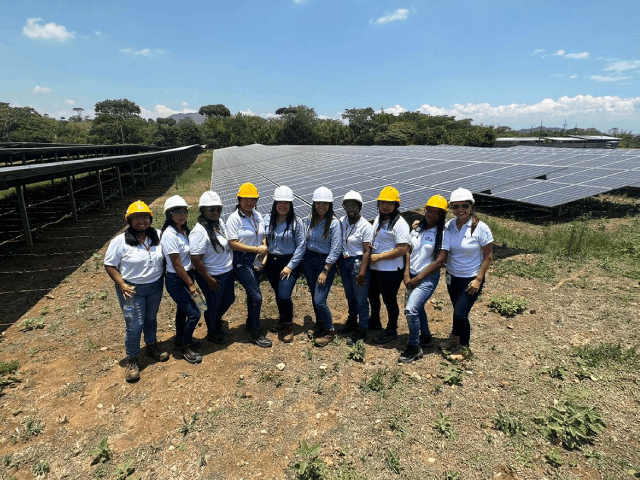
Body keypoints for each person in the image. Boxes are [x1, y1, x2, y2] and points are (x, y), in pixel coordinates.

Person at [104, 200, 169, 383]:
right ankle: (132, 359)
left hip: (155, 285)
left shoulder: (158, 235)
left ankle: (151, 345)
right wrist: (122, 285)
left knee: (150, 318)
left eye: (145, 217)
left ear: (150, 218)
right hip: (131, 290)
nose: (142, 221)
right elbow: (110, 265)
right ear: (129, 220)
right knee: (134, 324)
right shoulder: (120, 241)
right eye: (137, 218)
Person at [442, 188, 493, 359]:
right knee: (457, 309)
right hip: (452, 276)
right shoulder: (450, 225)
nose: (460, 209)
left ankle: (464, 348)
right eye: (456, 206)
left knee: (460, 313)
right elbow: (433, 230)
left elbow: (488, 256)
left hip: (471, 278)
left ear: (471, 206)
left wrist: (478, 279)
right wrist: (418, 224)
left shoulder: (481, 228)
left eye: (464, 205)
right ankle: (455, 337)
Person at [400, 195, 450, 363]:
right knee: (417, 307)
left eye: (436, 213)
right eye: (429, 211)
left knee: (411, 309)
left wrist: (418, 278)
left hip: (427, 278)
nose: (431, 215)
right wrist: (407, 274)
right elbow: (407, 250)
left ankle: (414, 347)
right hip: (412, 275)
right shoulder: (417, 228)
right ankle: (426, 336)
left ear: (442, 215)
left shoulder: (443, 234)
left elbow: (439, 261)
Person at [226, 183, 271, 348]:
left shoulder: (258, 215)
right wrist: (256, 249)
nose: (249, 203)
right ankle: (255, 331)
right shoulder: (234, 219)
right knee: (256, 296)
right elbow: (232, 243)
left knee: (252, 294)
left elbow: (263, 237)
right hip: (242, 260)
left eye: (252, 200)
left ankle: (250, 322)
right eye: (245, 199)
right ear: (239, 199)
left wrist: (263, 254)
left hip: (257, 259)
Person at [161, 195, 203, 364]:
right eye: (176, 211)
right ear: (168, 214)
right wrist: (191, 284)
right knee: (195, 313)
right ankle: (185, 347)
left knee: (182, 310)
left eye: (184, 211)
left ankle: (180, 338)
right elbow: (177, 264)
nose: (181, 214)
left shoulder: (183, 230)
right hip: (177, 279)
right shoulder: (169, 235)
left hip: (187, 276)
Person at [190, 191, 235, 345]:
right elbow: (196, 259)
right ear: (203, 210)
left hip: (226, 272)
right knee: (213, 305)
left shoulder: (219, 223)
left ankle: (215, 321)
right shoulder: (200, 231)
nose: (216, 212)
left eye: (218, 209)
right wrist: (208, 279)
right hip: (213, 275)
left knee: (229, 299)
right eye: (212, 209)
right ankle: (213, 331)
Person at [368, 186, 410, 344]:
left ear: (396, 205)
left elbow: (402, 248)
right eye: (382, 202)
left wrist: (379, 257)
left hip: (390, 269)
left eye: (390, 203)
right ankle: (375, 320)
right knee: (372, 295)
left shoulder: (400, 224)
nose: (385, 206)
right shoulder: (379, 218)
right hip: (375, 267)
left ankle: (392, 329)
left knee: (389, 299)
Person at [263, 186, 305, 343]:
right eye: (279, 202)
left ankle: (288, 325)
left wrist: (290, 266)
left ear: (291, 204)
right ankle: (282, 318)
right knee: (277, 293)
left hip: (289, 262)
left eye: (286, 202)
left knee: (284, 294)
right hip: (272, 262)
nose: (283, 205)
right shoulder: (267, 219)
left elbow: (301, 246)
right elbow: (263, 238)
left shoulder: (296, 222)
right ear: (274, 203)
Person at [304, 186, 342, 347]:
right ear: (314, 204)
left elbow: (336, 248)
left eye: (325, 204)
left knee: (320, 299)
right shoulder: (310, 218)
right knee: (314, 295)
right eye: (318, 203)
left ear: (330, 205)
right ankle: (319, 322)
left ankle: (330, 329)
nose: (321, 206)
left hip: (324, 263)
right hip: (310, 260)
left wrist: (325, 270)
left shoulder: (334, 223)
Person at [337, 190, 373, 346]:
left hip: (358, 264)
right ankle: (352, 319)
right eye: (348, 205)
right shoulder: (341, 221)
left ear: (360, 207)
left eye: (354, 205)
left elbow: (367, 251)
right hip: (345, 263)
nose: (351, 208)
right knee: (350, 295)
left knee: (361, 299)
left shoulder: (365, 226)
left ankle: (362, 327)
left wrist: (362, 272)